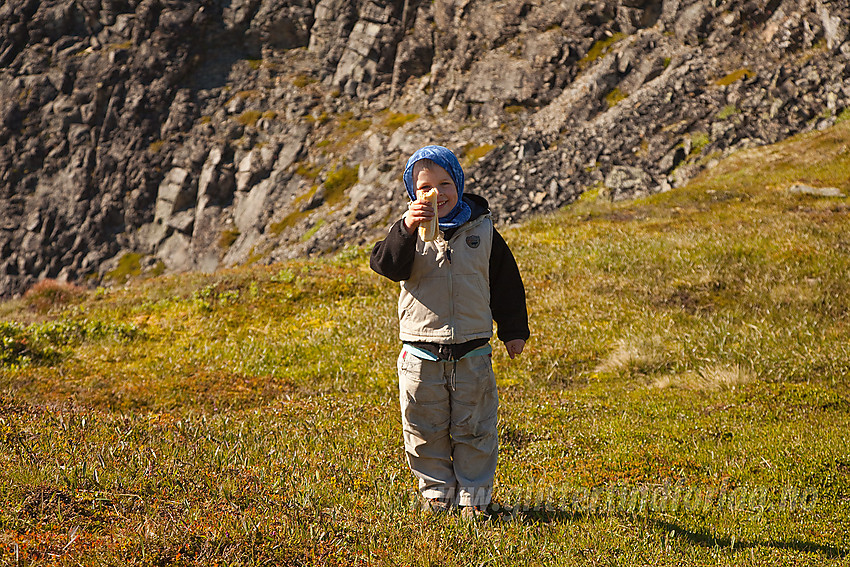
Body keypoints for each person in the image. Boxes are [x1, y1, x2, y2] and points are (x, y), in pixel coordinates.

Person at [370, 145, 530, 520]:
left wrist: (513, 329)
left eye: (445, 183)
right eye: (425, 186)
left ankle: (475, 502)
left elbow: (506, 284)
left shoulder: (483, 229)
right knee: (425, 429)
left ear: (458, 183)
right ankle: (437, 496)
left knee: (476, 429)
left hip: (472, 351)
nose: (437, 193)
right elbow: (386, 264)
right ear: (412, 192)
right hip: (421, 353)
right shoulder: (407, 232)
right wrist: (407, 227)